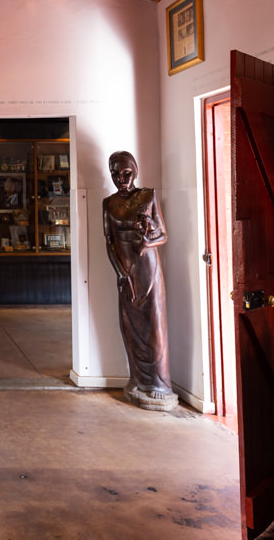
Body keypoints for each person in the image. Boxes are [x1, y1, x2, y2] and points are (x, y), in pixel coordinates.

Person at [102, 151, 178, 411]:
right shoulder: (108, 203)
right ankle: (137, 379)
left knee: (154, 325)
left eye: (126, 173)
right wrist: (121, 274)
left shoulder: (148, 195)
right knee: (129, 327)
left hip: (148, 269)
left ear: (134, 171)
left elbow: (163, 235)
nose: (121, 179)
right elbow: (110, 242)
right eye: (115, 174)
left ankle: (159, 384)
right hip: (125, 271)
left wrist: (148, 242)